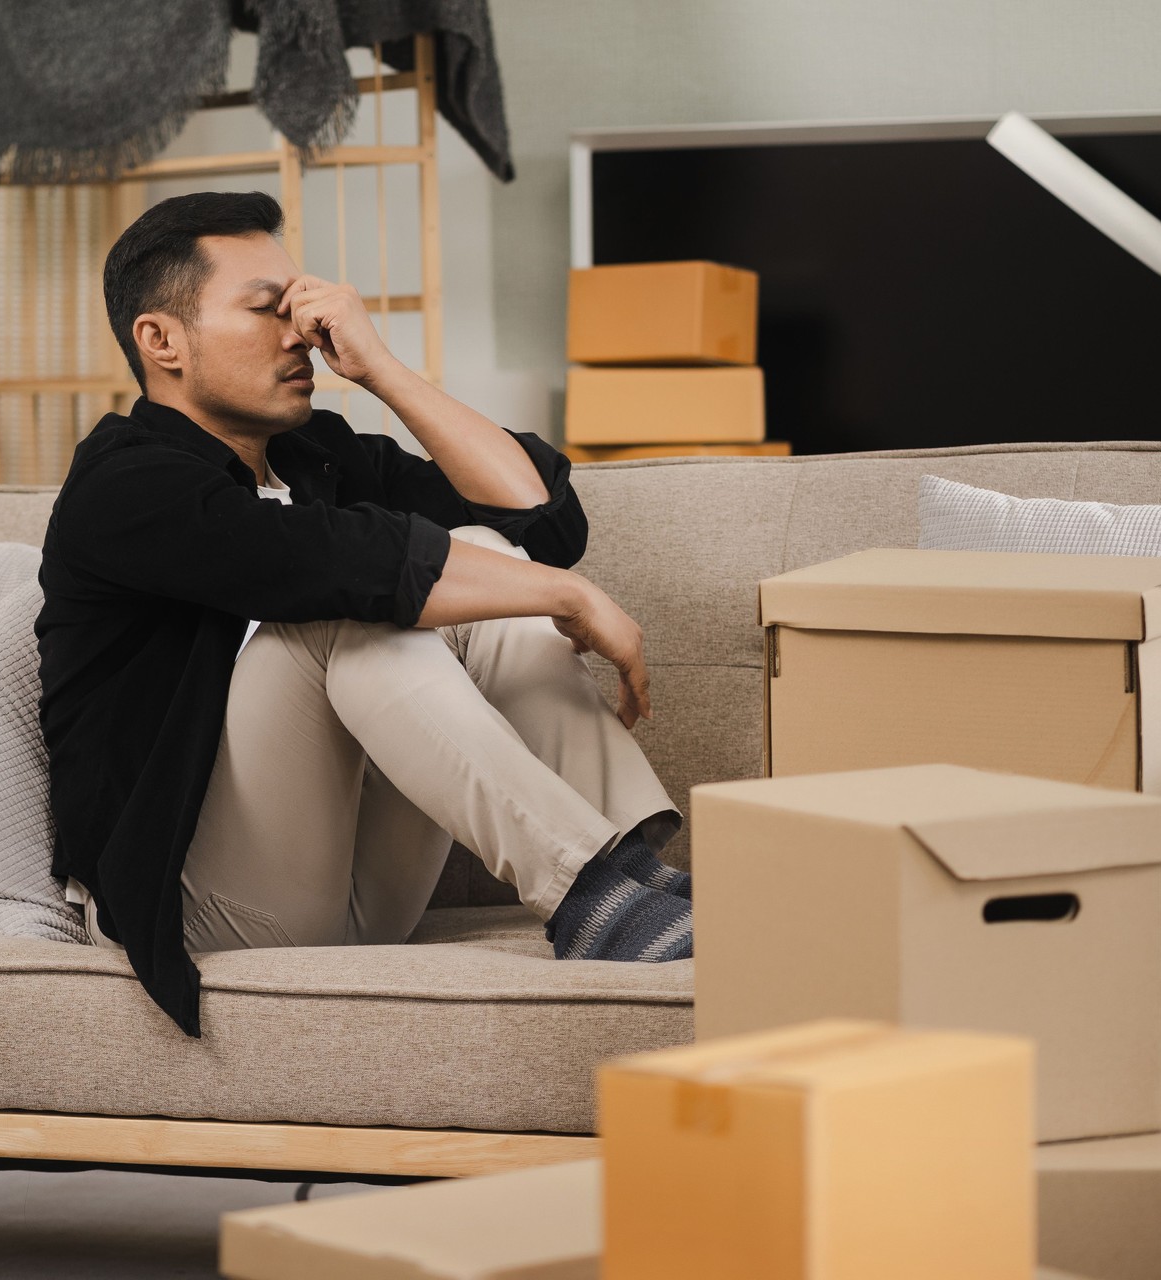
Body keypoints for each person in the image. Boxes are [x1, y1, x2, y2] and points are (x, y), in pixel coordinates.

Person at [36, 190, 690, 1039]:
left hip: (357, 889)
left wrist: (381, 368)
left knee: (479, 554)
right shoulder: (124, 487)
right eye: (269, 310)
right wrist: (568, 598)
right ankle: (592, 896)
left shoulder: (317, 457)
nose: (302, 332)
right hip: (197, 905)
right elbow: (333, 569)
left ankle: (629, 872)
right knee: (344, 610)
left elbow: (540, 521)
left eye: (304, 305)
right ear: (161, 340)